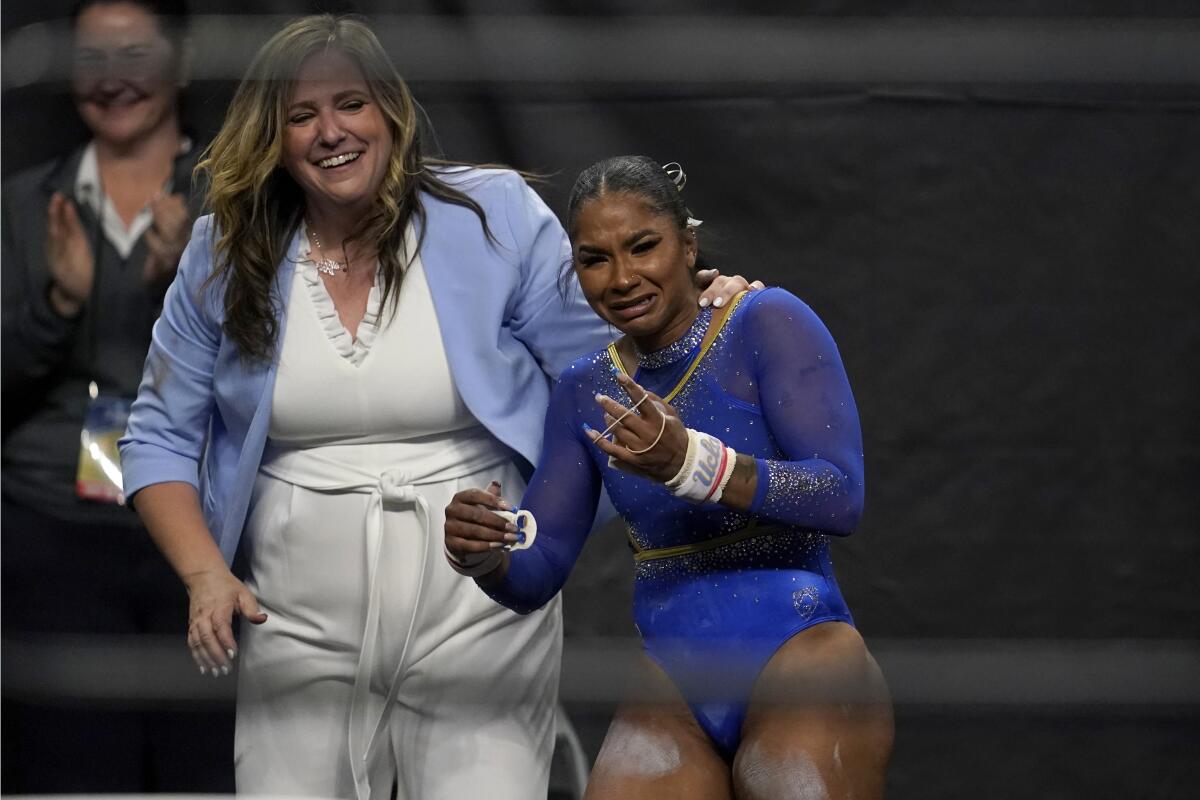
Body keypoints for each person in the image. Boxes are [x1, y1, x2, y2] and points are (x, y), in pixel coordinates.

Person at [117, 15, 752, 800]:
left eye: (349, 103)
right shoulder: (223, 250)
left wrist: (701, 313)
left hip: (479, 609)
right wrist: (205, 574)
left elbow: (604, 362)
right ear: (272, 137)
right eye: (301, 115)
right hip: (292, 621)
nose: (330, 132)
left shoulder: (494, 215)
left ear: (390, 109)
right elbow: (157, 436)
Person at [445, 155, 895, 799]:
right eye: (595, 259)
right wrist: (485, 552)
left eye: (643, 246)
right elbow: (537, 569)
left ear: (687, 244)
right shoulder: (584, 390)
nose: (623, 277)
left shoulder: (765, 320)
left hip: (803, 653)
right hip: (674, 685)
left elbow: (840, 494)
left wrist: (694, 465)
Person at [0, 0, 235, 792]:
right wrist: (57, 305)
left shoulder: (234, 200)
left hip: (202, 533)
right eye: (91, 58)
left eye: (134, 54)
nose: (113, 81)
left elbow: (277, 373)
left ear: (182, 60)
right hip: (51, 535)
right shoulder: (25, 206)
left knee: (198, 767)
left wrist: (189, 280)